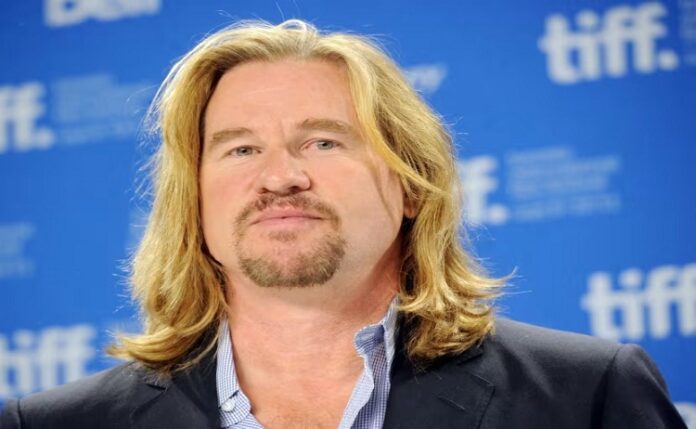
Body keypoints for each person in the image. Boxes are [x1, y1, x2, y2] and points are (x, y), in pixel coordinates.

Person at [0, 19, 686, 429]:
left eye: (323, 141)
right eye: (240, 149)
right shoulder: (53, 425)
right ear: (194, 201)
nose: (279, 176)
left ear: (411, 184)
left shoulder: (585, 395)